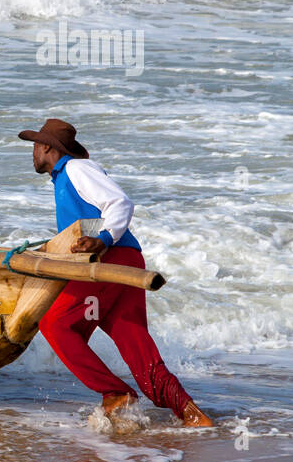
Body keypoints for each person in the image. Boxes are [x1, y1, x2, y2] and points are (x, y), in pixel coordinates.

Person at [19, 118, 212, 426]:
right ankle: (190, 414)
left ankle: (115, 393)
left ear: (46, 147)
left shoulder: (76, 169)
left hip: (109, 263)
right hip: (125, 261)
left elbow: (120, 202)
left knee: (55, 325)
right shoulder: (64, 177)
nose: (31, 154)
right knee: (136, 347)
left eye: (34, 147)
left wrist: (103, 239)